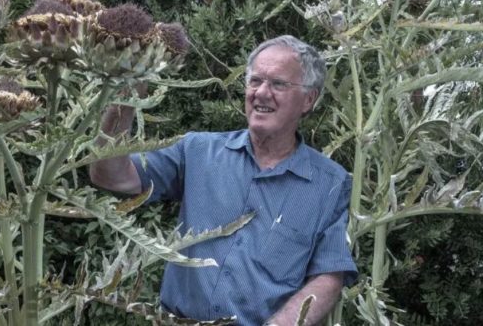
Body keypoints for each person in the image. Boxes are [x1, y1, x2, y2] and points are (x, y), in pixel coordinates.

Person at [90, 35, 357, 326]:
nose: (262, 93)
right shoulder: (196, 151)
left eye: (278, 84)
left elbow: (329, 275)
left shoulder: (330, 183)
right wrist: (128, 89)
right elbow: (111, 176)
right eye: (255, 81)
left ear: (308, 99)